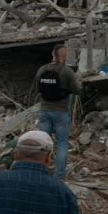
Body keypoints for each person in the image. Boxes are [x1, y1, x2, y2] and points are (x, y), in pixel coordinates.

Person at [34, 44, 80, 178]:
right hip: (61, 112)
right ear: (63, 56)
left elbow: (38, 89)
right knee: (61, 143)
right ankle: (59, 174)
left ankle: (40, 171)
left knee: (43, 143)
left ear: (52, 54)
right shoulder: (67, 71)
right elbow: (76, 91)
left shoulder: (42, 69)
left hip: (45, 111)